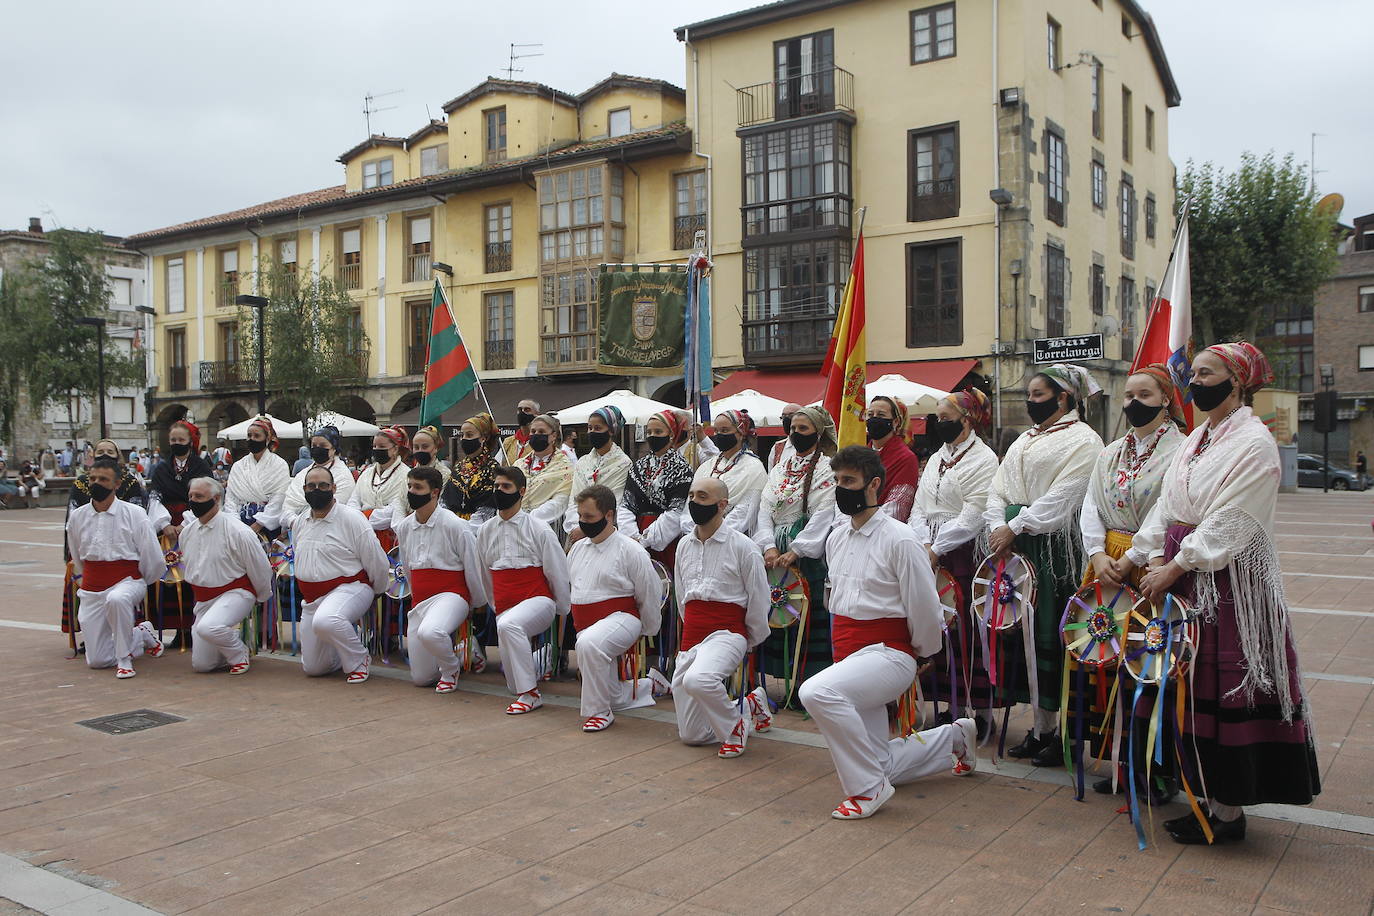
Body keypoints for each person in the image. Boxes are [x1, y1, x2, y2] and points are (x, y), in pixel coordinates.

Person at [1134, 341, 1320, 845]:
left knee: (1223, 683)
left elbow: (1233, 521)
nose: (1194, 382)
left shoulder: (1254, 443)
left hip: (1226, 586)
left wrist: (1175, 565)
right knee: (1188, 686)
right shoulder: (1199, 438)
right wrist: (1149, 555)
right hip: (1183, 576)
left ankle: (1227, 811)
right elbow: (1167, 505)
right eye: (1192, 373)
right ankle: (1202, 797)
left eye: (1206, 373)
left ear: (1237, 382)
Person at [799, 446, 979, 820]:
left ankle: (869, 788)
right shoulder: (836, 538)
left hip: (890, 654)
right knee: (878, 759)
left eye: (848, 480)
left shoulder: (900, 538)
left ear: (874, 484)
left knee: (816, 691)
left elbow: (924, 605)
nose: (840, 488)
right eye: (836, 481)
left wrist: (924, 653)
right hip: (849, 655)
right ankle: (955, 738)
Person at [984, 364, 1105, 767]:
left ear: (1064, 398)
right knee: (1023, 637)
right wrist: (998, 524)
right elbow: (997, 488)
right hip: (1016, 551)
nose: (1030, 402)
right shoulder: (1023, 439)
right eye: (1030, 395)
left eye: (1037, 395)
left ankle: (1064, 736)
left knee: (1052, 637)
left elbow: (1065, 497)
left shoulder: (1084, 440)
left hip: (1053, 553)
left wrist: (1015, 525)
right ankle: (1040, 728)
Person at [1076, 363, 1186, 795]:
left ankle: (1160, 773)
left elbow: (1168, 506)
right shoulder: (1109, 452)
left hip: (1150, 566)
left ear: (1166, 399)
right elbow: (1090, 504)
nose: (1133, 404)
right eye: (1127, 397)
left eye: (1143, 395)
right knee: (1110, 664)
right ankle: (1123, 765)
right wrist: (1097, 552)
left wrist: (1134, 555)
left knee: (1154, 666)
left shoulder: (1179, 450)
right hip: (1108, 566)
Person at [907, 389, 1001, 733]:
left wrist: (937, 547)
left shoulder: (984, 459)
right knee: (937, 627)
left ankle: (982, 713)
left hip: (962, 554)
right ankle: (951, 704)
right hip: (929, 551)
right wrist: (923, 542)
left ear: (969, 418)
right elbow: (919, 504)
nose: (939, 423)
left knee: (966, 630)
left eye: (946, 417)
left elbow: (974, 513)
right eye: (938, 417)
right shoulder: (936, 457)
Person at [673, 477, 772, 757]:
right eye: (691, 496)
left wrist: (747, 639)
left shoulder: (743, 547)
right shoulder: (683, 546)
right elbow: (682, 597)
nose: (694, 502)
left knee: (698, 680)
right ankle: (748, 706)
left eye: (702, 497)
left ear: (722, 505)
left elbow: (759, 598)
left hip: (728, 632)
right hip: (692, 635)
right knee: (692, 735)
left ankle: (735, 726)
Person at [755, 405, 839, 695]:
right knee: (778, 611)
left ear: (818, 432)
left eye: (802, 429)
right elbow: (765, 507)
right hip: (775, 551)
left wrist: (798, 549)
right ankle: (779, 680)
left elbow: (825, 511)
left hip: (806, 555)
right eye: (792, 428)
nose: (795, 433)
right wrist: (767, 545)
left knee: (807, 617)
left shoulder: (828, 466)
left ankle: (809, 683)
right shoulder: (781, 467)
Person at [568, 485, 666, 731]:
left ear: (609, 515)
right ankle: (651, 685)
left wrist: (648, 628)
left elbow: (649, 590)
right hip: (586, 624)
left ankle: (600, 712)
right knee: (610, 690)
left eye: (589, 517)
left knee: (589, 644)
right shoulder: (578, 548)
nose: (583, 522)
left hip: (622, 619)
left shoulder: (630, 549)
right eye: (581, 516)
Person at [475, 466, 571, 714]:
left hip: (539, 600)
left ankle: (531, 694)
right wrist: (497, 607)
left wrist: (561, 608)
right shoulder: (485, 531)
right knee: (511, 684)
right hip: (504, 607)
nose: (499, 491)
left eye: (506, 487)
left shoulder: (538, 528)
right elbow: (485, 575)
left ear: (522, 491)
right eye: (496, 486)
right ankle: (537, 664)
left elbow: (556, 570)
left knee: (509, 626)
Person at [65, 458, 167, 678]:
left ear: (117, 484)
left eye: (103, 479)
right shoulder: (77, 517)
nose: (96, 483)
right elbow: (76, 554)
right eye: (92, 479)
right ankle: (141, 634)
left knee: (118, 599)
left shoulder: (135, 514)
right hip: (92, 588)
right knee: (97, 660)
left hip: (127, 582)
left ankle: (124, 659)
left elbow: (153, 558)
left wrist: (139, 582)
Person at [289, 465, 391, 683]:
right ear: (304, 489)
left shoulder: (352, 518)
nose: (317, 490)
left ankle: (359, 658)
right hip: (311, 599)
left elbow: (376, 560)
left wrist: (377, 590)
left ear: (334, 488)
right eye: (312, 486)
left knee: (327, 620)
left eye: (323, 485)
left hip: (350, 588)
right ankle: (339, 655)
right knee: (314, 668)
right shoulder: (300, 521)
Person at [395, 465, 488, 693]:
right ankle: (461, 649)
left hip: (451, 594)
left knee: (431, 631)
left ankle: (451, 668)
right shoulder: (405, 527)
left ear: (435, 492)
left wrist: (475, 603)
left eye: (418, 487)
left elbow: (472, 565)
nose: (412, 492)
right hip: (420, 601)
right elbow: (407, 566)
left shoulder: (455, 524)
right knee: (422, 678)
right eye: (410, 486)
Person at [179, 476, 274, 675]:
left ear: (216, 499)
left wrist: (260, 596)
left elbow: (260, 567)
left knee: (209, 627)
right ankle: (232, 637)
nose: (194, 501)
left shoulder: (238, 531)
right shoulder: (186, 533)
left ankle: (239, 653)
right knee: (202, 665)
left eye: (199, 496)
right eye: (191, 496)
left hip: (236, 593)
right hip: (204, 600)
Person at [623, 409, 694, 570]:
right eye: (649, 432)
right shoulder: (639, 466)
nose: (652, 435)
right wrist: (632, 536)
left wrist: (645, 540)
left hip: (664, 537)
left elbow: (677, 510)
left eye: (658, 431)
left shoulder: (682, 468)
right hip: (636, 531)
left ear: (671, 434)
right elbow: (627, 503)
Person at [682, 410, 767, 537]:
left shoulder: (754, 467)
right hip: (697, 536)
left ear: (740, 433)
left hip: (732, 538)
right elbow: (691, 503)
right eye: (716, 430)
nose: (719, 435)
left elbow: (745, 511)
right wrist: (694, 533)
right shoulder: (707, 466)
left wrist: (714, 534)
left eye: (725, 430)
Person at [562, 405, 635, 540]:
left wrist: (586, 528)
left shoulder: (624, 463)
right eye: (590, 428)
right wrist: (575, 527)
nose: (592, 432)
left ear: (611, 431)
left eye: (598, 428)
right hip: (577, 531)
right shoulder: (583, 462)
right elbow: (574, 500)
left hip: (605, 530)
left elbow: (615, 500)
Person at [223, 416, 291, 535]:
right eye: (249, 435)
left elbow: (279, 499)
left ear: (268, 438)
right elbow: (231, 499)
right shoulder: (238, 466)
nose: (252, 439)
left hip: (268, 527)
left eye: (257, 436)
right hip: (239, 526)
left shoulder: (280, 465)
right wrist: (237, 525)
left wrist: (259, 524)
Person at [349, 426, 412, 548]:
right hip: (362, 536)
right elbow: (354, 500)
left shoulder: (406, 475)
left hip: (390, 538)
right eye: (375, 446)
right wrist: (357, 517)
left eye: (382, 447)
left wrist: (363, 517)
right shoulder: (367, 473)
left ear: (395, 449)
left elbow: (395, 510)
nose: (377, 450)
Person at [148, 420, 213, 537]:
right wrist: (164, 524)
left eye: (181, 440)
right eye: (173, 440)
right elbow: (154, 498)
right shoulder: (161, 468)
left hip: (196, 525)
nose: (177, 443)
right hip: (166, 530)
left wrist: (185, 524)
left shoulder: (201, 467)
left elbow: (207, 497)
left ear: (190, 442)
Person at [280, 425, 358, 521]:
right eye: (314, 446)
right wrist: (294, 522)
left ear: (333, 449)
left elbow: (336, 508)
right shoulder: (303, 474)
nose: (317, 449)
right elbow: (288, 505)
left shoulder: (343, 476)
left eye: (322, 446)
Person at [516, 414, 575, 529]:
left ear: (553, 436)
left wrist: (529, 518)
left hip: (546, 526)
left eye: (541, 432)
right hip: (515, 523)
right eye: (533, 431)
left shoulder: (565, 467)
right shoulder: (519, 464)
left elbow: (561, 500)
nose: (536, 435)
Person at [441, 412, 501, 523]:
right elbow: (446, 500)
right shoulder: (459, 467)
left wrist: (467, 527)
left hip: (478, 526)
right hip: (452, 524)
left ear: (484, 438)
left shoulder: (493, 468)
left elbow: (487, 507)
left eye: (469, 435)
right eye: (462, 435)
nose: (464, 439)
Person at [866, 396, 918, 520]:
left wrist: (865, 521)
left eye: (881, 415)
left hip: (883, 527)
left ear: (895, 422)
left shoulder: (906, 458)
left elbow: (897, 505)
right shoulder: (859, 454)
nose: (874, 418)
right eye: (870, 414)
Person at [502, 398, 541, 464]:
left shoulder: (541, 442)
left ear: (537, 414)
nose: (522, 412)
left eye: (527, 410)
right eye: (520, 410)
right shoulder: (508, 442)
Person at [767, 403, 803, 469]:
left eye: (791, 415)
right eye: (783, 416)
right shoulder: (777, 448)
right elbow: (770, 475)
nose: (787, 419)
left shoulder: (812, 446)